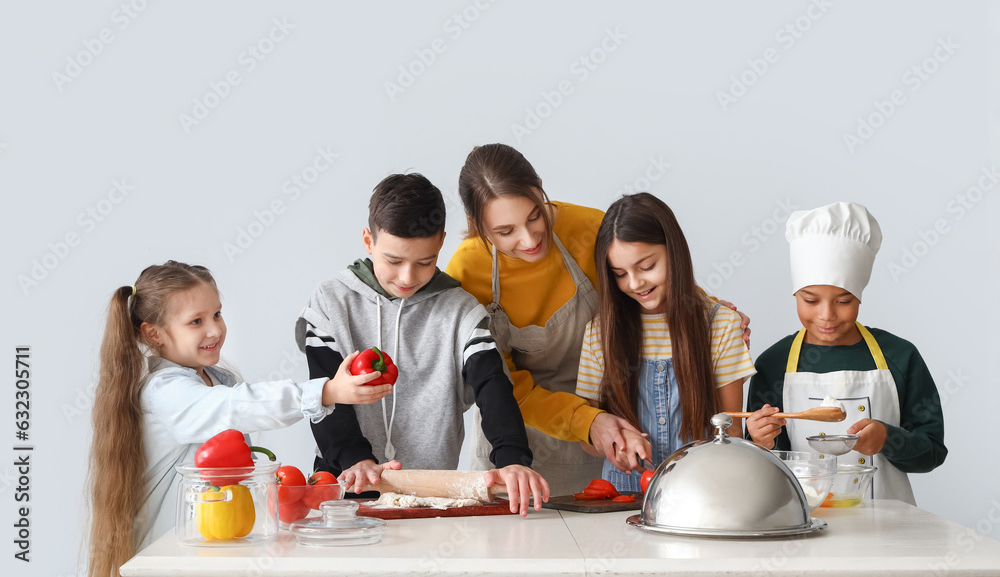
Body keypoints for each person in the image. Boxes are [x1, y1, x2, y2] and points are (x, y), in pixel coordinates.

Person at [446, 143, 751, 495]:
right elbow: (497, 379)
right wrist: (586, 421)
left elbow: (652, 272)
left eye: (534, 216)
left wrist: (710, 311)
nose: (529, 239)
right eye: (505, 232)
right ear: (475, 224)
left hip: (603, 435)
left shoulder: (589, 228)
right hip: (513, 442)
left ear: (540, 188)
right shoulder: (467, 270)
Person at [86, 261, 390, 577]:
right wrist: (325, 391)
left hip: (210, 556)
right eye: (196, 321)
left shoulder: (217, 380)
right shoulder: (164, 392)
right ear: (155, 333)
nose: (215, 329)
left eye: (217, 314)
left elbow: (235, 480)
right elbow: (236, 406)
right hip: (170, 562)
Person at [295, 173, 549, 516]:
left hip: (430, 499)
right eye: (394, 261)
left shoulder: (462, 311)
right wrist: (357, 459)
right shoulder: (331, 302)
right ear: (368, 241)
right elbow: (324, 393)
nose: (408, 277)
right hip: (343, 489)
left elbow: (493, 386)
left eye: (424, 262)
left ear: (441, 242)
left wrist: (512, 458)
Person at [745, 202, 947, 504]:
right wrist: (758, 441)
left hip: (889, 530)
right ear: (795, 294)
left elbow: (931, 453)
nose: (827, 315)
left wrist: (888, 439)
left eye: (843, 301)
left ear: (860, 295)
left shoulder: (900, 356)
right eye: (810, 300)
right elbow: (765, 470)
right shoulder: (774, 364)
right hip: (805, 526)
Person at [575, 193, 755, 491]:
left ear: (674, 251)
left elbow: (731, 429)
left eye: (646, 267)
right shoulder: (600, 333)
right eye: (620, 274)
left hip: (702, 494)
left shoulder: (720, 325)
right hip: (623, 498)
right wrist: (613, 442)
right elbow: (588, 441)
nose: (634, 283)